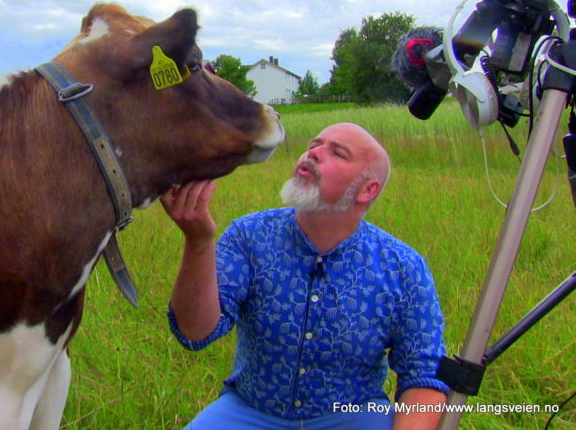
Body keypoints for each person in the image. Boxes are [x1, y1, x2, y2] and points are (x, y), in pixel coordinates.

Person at [160, 122, 449, 430]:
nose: (313, 153)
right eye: (314, 144)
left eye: (337, 152)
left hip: (354, 414)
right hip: (249, 410)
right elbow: (195, 333)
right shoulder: (249, 236)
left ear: (367, 189)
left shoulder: (403, 267)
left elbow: (424, 374)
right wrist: (199, 241)